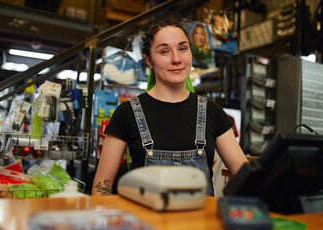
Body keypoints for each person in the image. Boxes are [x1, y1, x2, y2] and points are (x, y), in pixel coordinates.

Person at [92, 20, 248, 196]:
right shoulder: (127, 112)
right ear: (149, 61)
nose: (176, 59)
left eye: (182, 48)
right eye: (164, 51)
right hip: (147, 223)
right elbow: (101, 186)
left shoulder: (213, 112)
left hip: (200, 222)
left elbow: (246, 176)